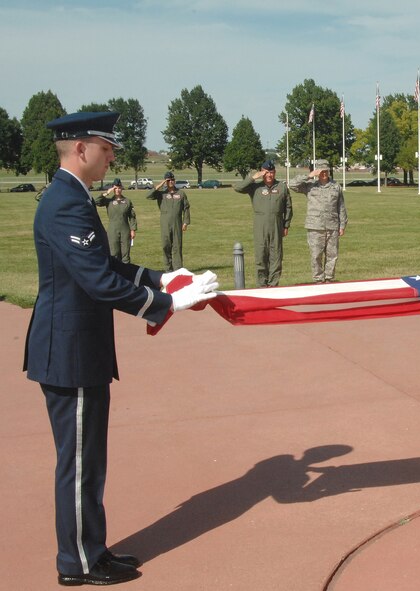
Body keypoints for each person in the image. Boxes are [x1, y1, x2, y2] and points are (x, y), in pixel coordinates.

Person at [23, 111, 218, 586]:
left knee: (89, 461)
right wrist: (168, 302)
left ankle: (93, 550)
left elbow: (102, 262)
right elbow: (97, 281)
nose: (112, 156)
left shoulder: (73, 196)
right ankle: (78, 564)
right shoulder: (65, 202)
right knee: (79, 464)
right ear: (81, 149)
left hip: (77, 348)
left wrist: (159, 278)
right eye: (106, 149)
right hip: (69, 353)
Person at [233, 160, 293, 287]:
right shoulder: (255, 187)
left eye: (271, 172)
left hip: (277, 225)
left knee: (276, 256)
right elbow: (237, 188)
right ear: (262, 172)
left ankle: (273, 284)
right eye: (266, 172)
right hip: (260, 225)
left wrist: (286, 225)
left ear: (275, 173)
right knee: (261, 255)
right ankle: (262, 284)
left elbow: (288, 207)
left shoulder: (282, 187)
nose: (269, 175)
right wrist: (253, 177)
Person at [289, 159, 348, 283]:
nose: (324, 173)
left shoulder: (335, 186)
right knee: (316, 255)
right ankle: (318, 279)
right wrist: (309, 176)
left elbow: (341, 206)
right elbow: (292, 184)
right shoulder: (309, 186)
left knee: (332, 255)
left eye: (326, 171)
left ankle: (329, 278)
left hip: (332, 225)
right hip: (315, 226)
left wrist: (342, 225)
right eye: (321, 171)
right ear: (317, 172)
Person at [146, 171, 191, 271]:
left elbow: (186, 208)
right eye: (168, 180)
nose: (171, 182)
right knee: (166, 245)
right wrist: (161, 184)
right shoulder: (161, 193)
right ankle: (168, 268)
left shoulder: (181, 193)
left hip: (177, 222)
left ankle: (178, 268)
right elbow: (148, 196)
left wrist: (185, 222)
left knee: (177, 245)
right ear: (165, 181)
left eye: (172, 180)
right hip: (165, 222)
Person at [94, 178, 137, 263]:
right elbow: (96, 202)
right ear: (113, 189)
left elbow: (132, 217)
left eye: (119, 188)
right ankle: (116, 274)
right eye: (115, 188)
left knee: (125, 253)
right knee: (114, 253)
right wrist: (107, 193)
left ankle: (126, 273)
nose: (118, 190)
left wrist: (133, 230)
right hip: (112, 230)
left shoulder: (127, 201)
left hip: (125, 229)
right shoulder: (108, 201)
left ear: (122, 188)